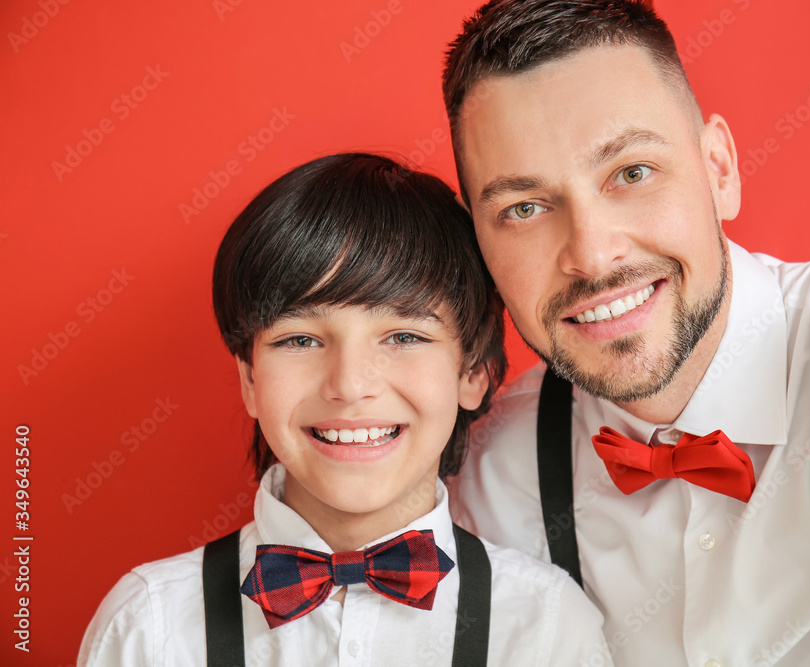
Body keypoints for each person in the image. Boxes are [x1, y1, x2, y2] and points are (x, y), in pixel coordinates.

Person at [442, 1, 810, 665]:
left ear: (720, 169)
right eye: (524, 208)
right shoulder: (485, 476)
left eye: (631, 173)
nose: (591, 255)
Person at [77, 153, 610, 666]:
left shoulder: (545, 625)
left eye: (403, 335)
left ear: (472, 372)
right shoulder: (149, 625)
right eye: (301, 340)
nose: (350, 386)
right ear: (250, 380)